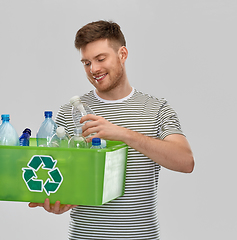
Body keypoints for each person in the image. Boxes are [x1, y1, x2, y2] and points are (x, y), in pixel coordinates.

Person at [29, 20, 194, 239]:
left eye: (100, 59)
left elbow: (185, 161)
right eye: (86, 62)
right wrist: (58, 201)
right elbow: (61, 175)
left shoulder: (156, 108)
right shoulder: (71, 112)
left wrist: (122, 134)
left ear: (122, 54)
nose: (93, 69)